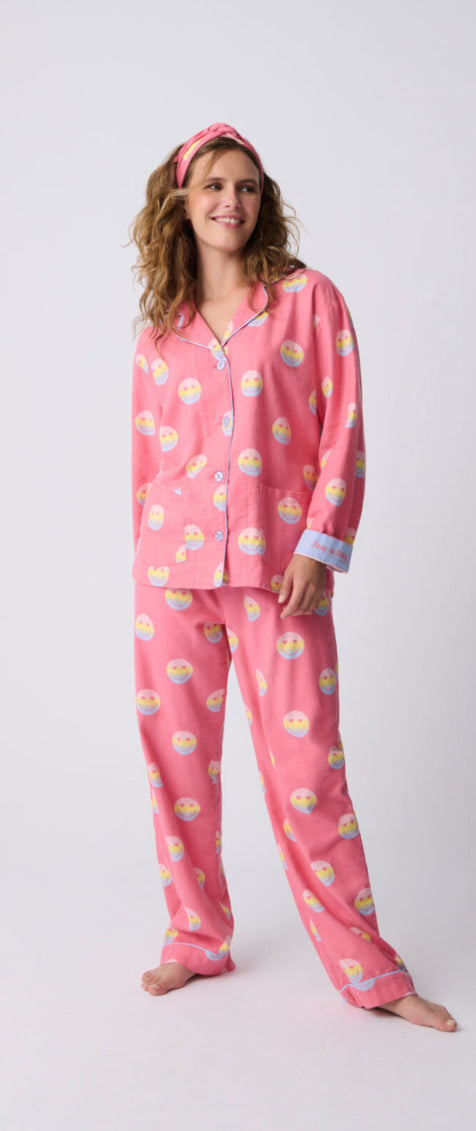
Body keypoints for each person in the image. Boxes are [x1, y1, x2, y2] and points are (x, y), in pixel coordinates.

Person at [128, 122, 457, 1031]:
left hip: (281, 570)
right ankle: (196, 936)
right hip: (171, 572)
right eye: (213, 186)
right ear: (182, 204)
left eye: (247, 186)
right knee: (176, 766)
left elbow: (344, 425)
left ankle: (369, 970)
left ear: (262, 200)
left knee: (308, 768)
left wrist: (321, 544)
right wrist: (142, 566)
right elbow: (145, 468)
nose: (231, 200)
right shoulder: (160, 335)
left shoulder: (309, 301)